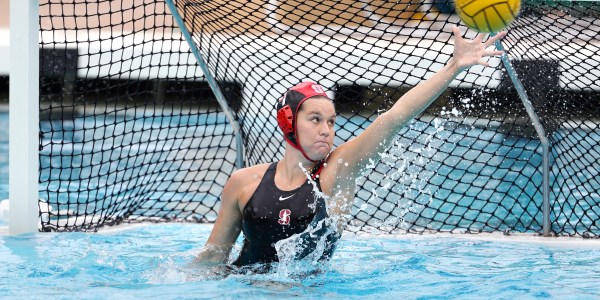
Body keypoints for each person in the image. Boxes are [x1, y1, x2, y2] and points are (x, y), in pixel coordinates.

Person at [195, 26, 507, 269]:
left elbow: (394, 118)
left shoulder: (335, 173)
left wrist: (453, 68)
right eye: (315, 119)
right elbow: (211, 260)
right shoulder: (243, 182)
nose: (326, 130)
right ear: (288, 121)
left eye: (331, 122)